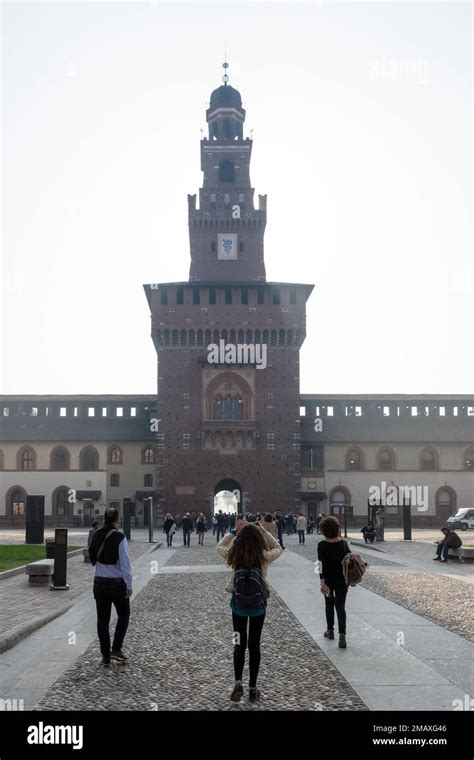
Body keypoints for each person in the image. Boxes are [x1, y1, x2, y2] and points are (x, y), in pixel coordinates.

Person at [217, 520, 282, 703]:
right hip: (258, 606)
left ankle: (238, 683)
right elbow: (278, 548)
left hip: (237, 605)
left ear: (240, 538)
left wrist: (233, 531)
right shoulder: (262, 555)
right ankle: (253, 688)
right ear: (257, 538)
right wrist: (264, 531)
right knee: (254, 645)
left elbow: (219, 546)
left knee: (238, 643)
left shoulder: (234, 554)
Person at [89, 507, 132, 666]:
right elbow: (125, 563)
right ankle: (116, 648)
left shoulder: (96, 534)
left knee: (102, 620)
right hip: (116, 583)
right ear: (116, 519)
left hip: (99, 582)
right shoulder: (120, 537)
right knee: (124, 615)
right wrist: (129, 584)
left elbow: (92, 555)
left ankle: (105, 656)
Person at [317, 515, 351, 649]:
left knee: (329, 604)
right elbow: (349, 559)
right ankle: (342, 636)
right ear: (337, 528)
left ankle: (330, 631)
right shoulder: (343, 543)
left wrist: (321, 580)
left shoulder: (321, 545)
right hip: (343, 580)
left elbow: (320, 564)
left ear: (323, 529)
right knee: (341, 607)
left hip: (328, 580)